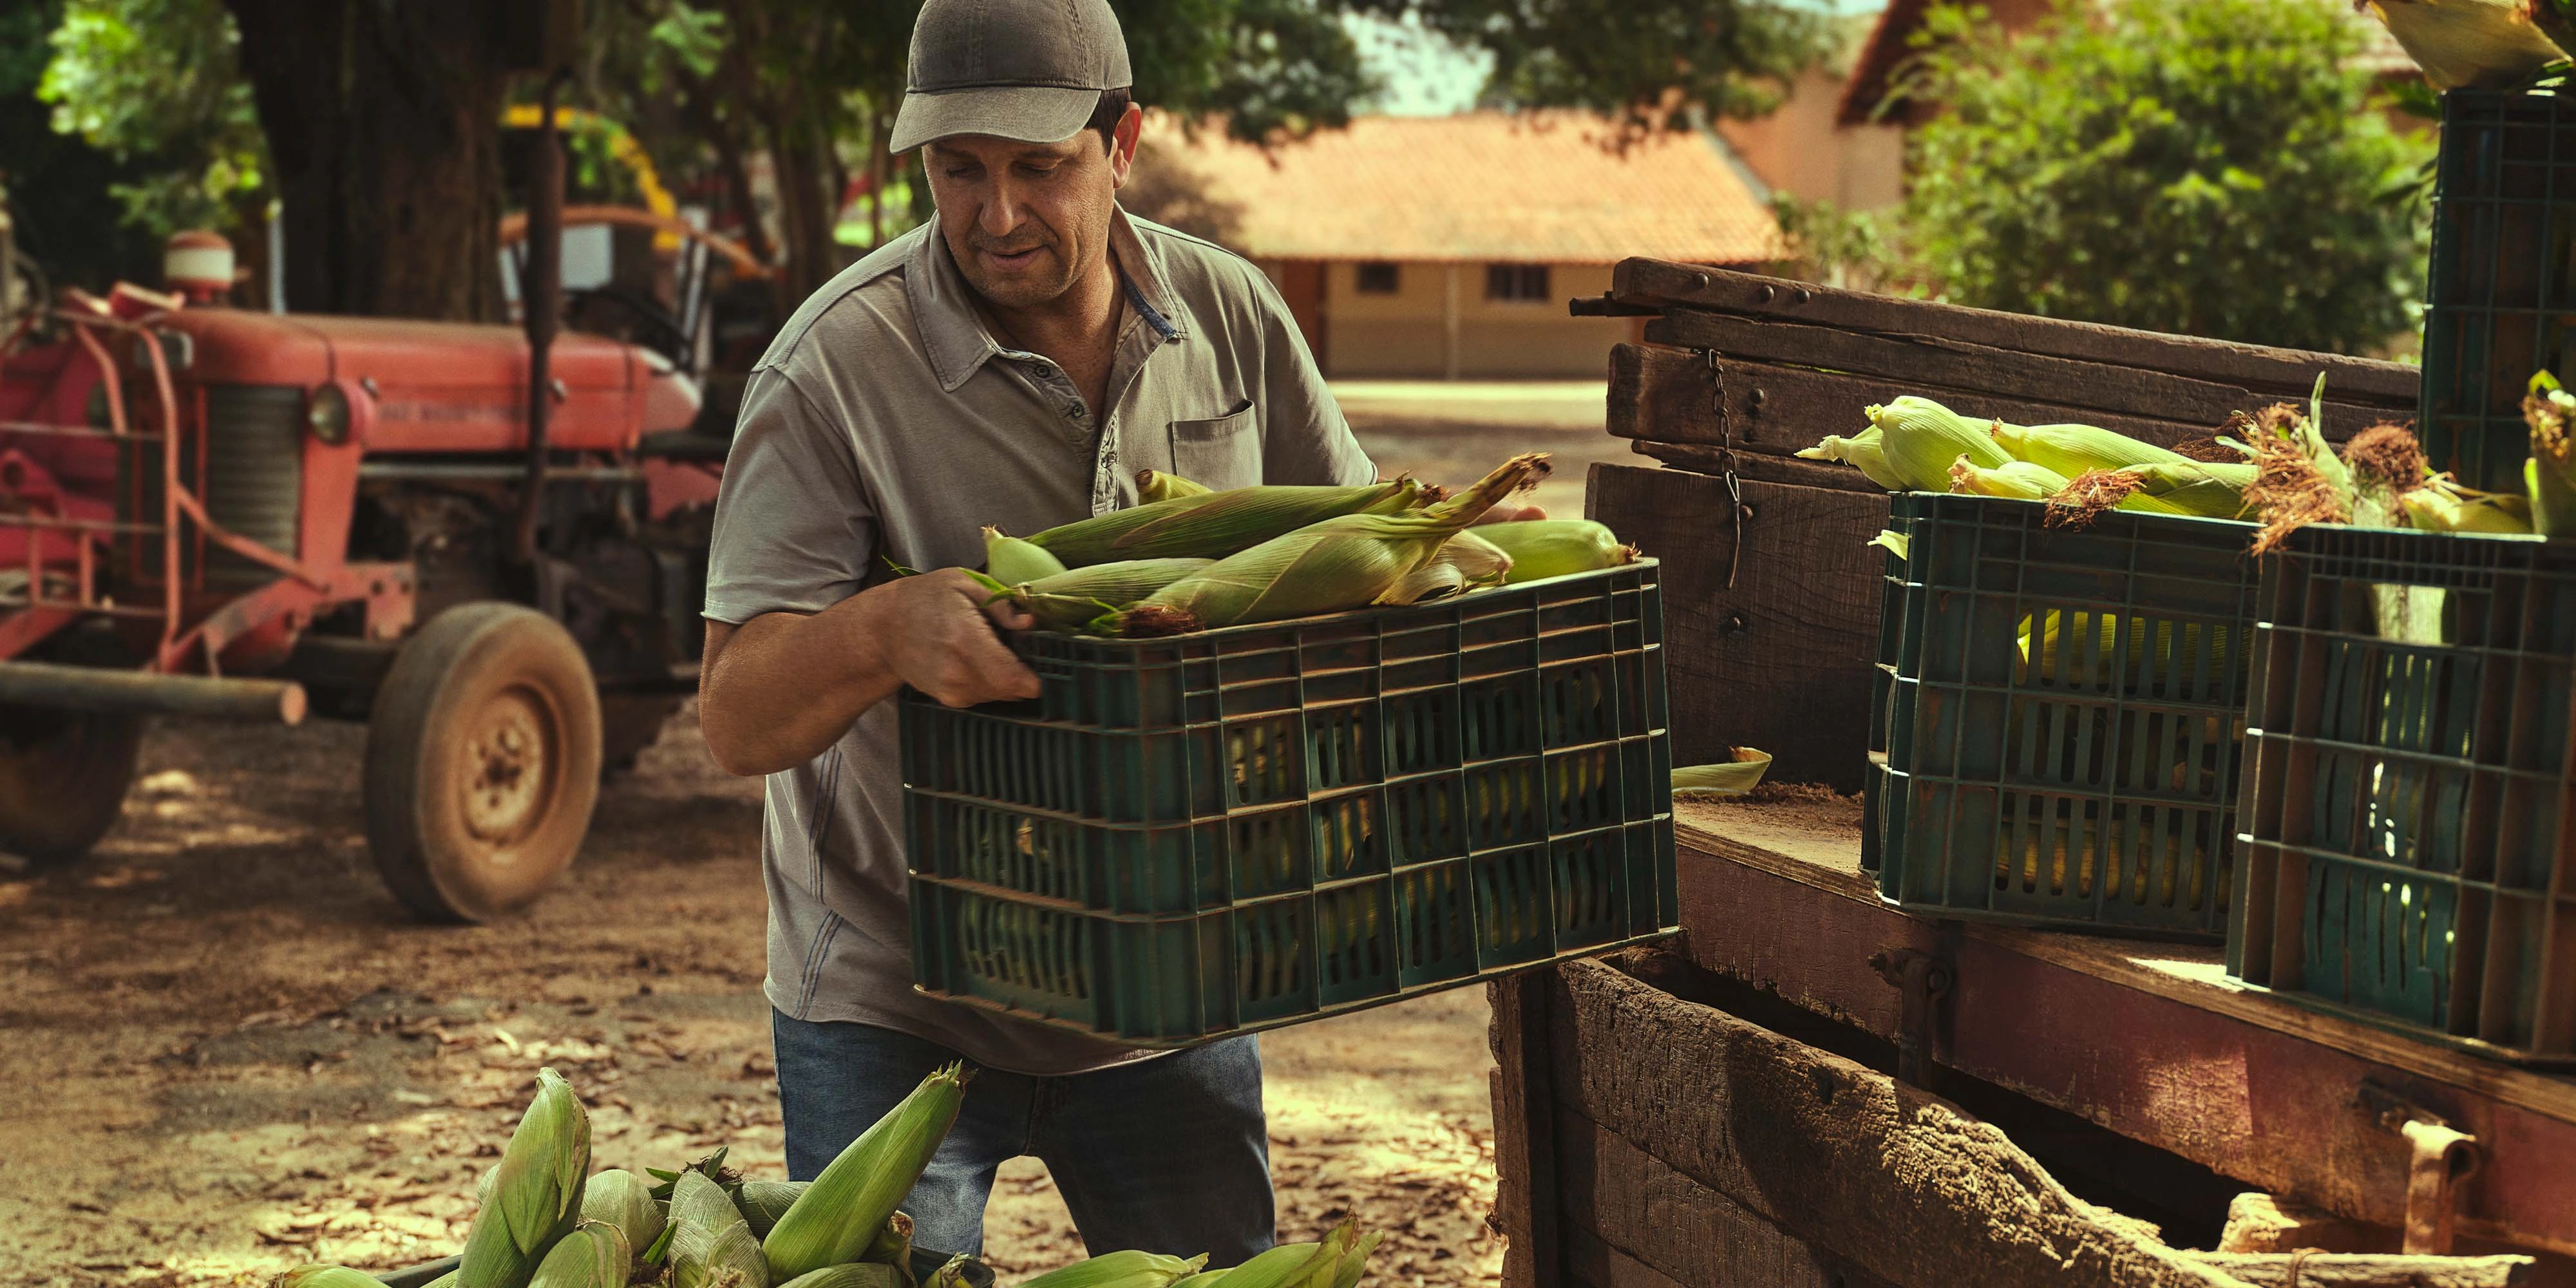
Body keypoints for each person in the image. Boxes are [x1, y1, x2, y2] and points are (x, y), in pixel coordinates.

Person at [694, 0, 1369, 1265]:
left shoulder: (1231, 322)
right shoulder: (829, 369)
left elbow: (1357, 573)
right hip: (896, 996)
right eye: (959, 171)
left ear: (1122, 147)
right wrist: (883, 631)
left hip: (1166, 973)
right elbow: (734, 716)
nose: (994, 215)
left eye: (1037, 169)